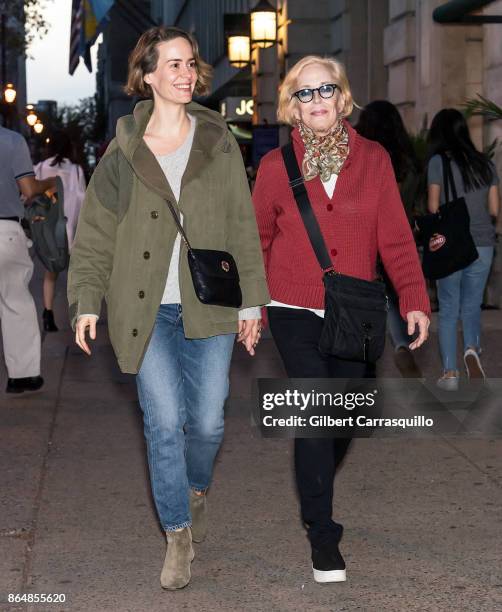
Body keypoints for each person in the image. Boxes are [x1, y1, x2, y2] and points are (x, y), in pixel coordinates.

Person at [67, 26, 269, 590]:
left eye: (190, 63)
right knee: (162, 426)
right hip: (144, 309)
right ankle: (177, 535)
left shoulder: (218, 138)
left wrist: (254, 300)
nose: (185, 73)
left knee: (205, 423)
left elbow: (241, 223)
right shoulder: (123, 150)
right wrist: (85, 300)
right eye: (173, 65)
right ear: (149, 75)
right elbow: (96, 235)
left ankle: (196, 488)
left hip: (210, 307)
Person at [252, 55, 430, 584]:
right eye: (304, 93)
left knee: (348, 415)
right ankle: (323, 534)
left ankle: (314, 483)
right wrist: (252, 308)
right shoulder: (273, 168)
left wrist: (414, 297)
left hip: (354, 308)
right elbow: (257, 241)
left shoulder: (373, 159)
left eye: (325, 89)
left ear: (342, 96)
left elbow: (395, 236)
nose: (317, 100)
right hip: (292, 305)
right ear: (292, 105)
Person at [426, 108, 500, 390]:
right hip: (482, 245)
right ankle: (471, 350)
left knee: (448, 309)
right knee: (471, 306)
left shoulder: (438, 163)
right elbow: (494, 209)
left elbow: (434, 207)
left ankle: (450, 373)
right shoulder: (485, 163)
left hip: (452, 245)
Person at [355, 100, 424, 378]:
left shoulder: (361, 154)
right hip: (399, 237)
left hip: (363, 239)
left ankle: (367, 350)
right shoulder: (408, 160)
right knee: (395, 296)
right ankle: (400, 343)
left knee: (365, 298)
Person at [0, 125, 56, 393]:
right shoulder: (11, 140)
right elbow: (28, 188)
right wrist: (50, 182)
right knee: (15, 302)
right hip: (4, 232)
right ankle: (22, 376)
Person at [35, 131, 86, 332]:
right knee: (77, 274)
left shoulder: (39, 168)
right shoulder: (75, 170)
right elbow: (83, 199)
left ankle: (48, 312)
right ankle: (79, 315)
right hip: (71, 229)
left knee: (51, 273)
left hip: (49, 231)